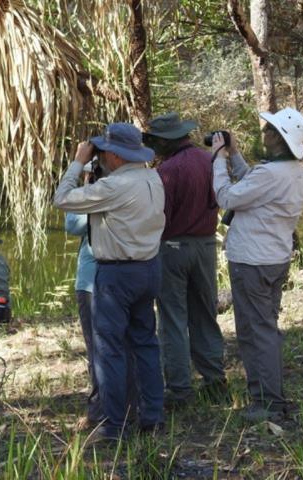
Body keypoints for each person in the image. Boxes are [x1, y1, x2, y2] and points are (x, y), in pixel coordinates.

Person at [54, 122, 166, 440]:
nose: (100, 157)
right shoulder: (152, 177)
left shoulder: (113, 187)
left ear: (115, 156)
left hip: (117, 273)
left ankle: (114, 425)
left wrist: (78, 162)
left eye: (103, 152)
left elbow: (62, 199)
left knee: (110, 349)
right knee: (145, 343)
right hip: (149, 267)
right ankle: (152, 417)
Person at [211, 107, 303, 422]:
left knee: (257, 332)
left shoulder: (271, 173)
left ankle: (269, 403)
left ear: (276, 138)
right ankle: (266, 397)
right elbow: (251, 183)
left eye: (268, 129)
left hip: (253, 262)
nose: (263, 132)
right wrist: (234, 155)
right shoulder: (292, 169)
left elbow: (227, 197)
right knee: (264, 328)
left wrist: (216, 160)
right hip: (273, 258)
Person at [144, 112, 226, 407]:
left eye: (155, 141)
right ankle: (215, 379)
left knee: (173, 319)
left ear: (165, 142)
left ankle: (180, 389)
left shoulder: (167, 171)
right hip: (206, 246)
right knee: (205, 313)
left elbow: (159, 218)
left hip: (173, 247)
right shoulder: (210, 160)